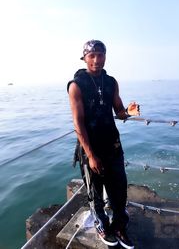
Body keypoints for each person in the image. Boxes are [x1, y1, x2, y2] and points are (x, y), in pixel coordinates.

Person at [67, 40, 140, 249]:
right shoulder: (76, 86)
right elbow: (78, 123)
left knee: (119, 190)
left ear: (105, 57)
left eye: (100, 55)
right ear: (85, 58)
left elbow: (118, 110)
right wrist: (90, 155)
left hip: (113, 146)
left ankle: (119, 226)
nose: (97, 60)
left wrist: (129, 111)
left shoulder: (111, 82)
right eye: (92, 56)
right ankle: (101, 225)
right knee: (96, 193)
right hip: (91, 149)